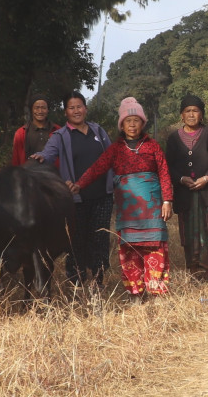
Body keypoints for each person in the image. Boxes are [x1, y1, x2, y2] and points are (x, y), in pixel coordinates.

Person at [70, 98, 173, 299]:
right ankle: (135, 293)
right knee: (130, 250)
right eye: (128, 121)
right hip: (128, 212)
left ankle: (156, 293)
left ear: (143, 123)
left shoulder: (153, 146)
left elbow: (164, 173)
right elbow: (97, 168)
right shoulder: (116, 149)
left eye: (136, 120)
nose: (132, 125)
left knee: (155, 249)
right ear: (122, 125)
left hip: (153, 209)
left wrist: (167, 201)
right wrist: (79, 184)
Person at [32, 92, 114, 287]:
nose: (76, 111)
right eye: (72, 107)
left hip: (102, 196)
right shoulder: (60, 136)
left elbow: (112, 156)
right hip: (75, 198)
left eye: (79, 106)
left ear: (85, 108)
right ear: (65, 112)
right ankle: (76, 281)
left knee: (100, 237)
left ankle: (98, 279)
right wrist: (40, 157)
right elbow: (48, 154)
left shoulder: (98, 131)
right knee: (76, 240)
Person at [165, 95, 208, 279]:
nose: (192, 115)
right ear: (182, 115)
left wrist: (207, 178)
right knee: (189, 232)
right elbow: (167, 165)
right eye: (187, 111)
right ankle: (194, 270)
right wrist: (182, 178)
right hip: (185, 193)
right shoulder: (174, 138)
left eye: (196, 111)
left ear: (202, 114)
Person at [11, 94, 60, 166]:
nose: (40, 111)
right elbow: (16, 159)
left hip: (53, 175)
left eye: (43, 108)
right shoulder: (21, 133)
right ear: (31, 110)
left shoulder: (58, 131)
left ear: (48, 110)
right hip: (28, 175)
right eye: (37, 108)